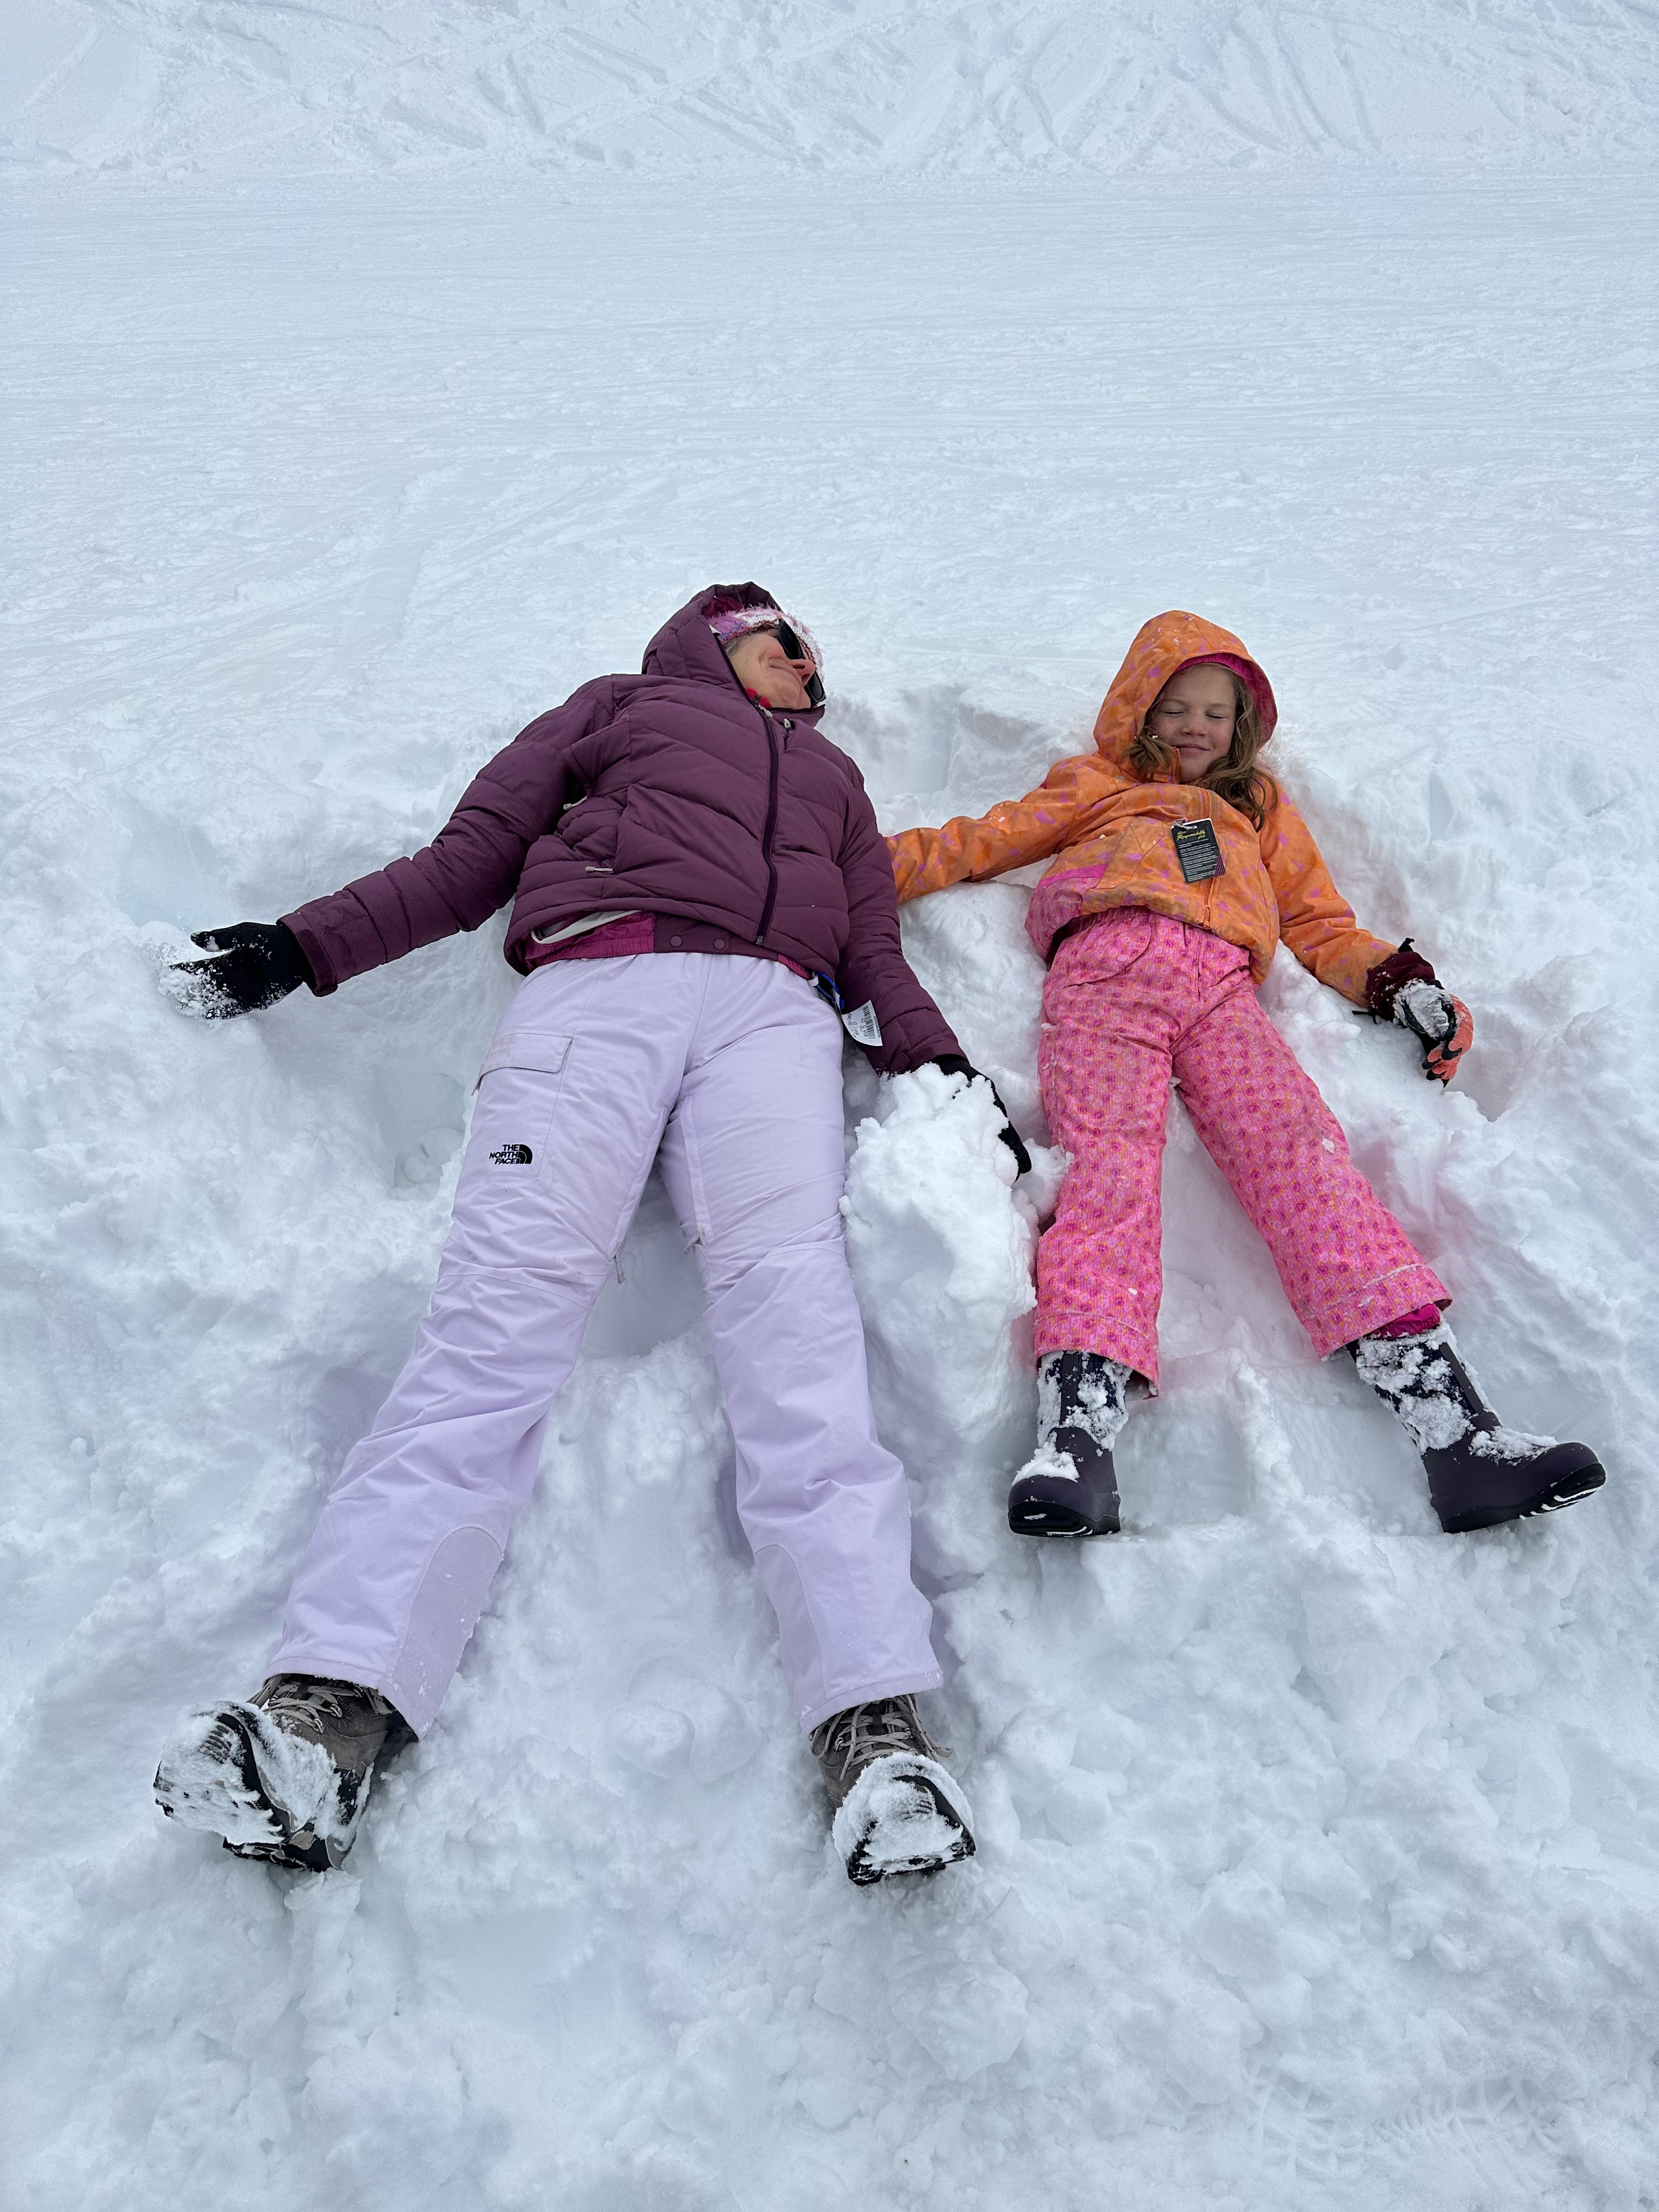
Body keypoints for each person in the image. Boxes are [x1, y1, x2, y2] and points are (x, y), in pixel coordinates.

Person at [154, 584, 1027, 1886]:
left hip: (775, 1028)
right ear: (723, 635)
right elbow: (467, 861)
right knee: (491, 1330)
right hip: (594, 994)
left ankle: (874, 1730)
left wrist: (947, 1075)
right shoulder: (614, 710)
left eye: (817, 651)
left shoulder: (837, 781)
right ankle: (324, 1711)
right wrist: (300, 946)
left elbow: (875, 954)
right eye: (787, 637)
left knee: (798, 1337)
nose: (811, 660)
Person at [885, 610, 1606, 1541]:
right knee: (1108, 1178)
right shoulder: (1099, 785)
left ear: (1243, 728)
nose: (1194, 726)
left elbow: (1319, 923)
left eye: (1216, 713)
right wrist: (844, 867)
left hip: (1223, 993)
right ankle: (1077, 1441)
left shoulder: (1259, 810)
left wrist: (1398, 982)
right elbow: (977, 841)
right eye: (1174, 706)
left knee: (1304, 1161)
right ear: (1137, 712)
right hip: (1105, 977)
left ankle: (1456, 1431)